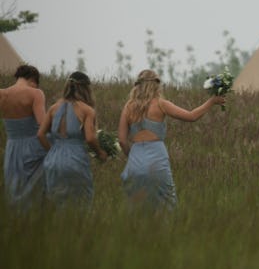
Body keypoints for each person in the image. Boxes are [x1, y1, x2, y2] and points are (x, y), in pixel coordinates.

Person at [117, 69, 225, 210]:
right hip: (157, 159)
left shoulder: (128, 107)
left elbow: (122, 141)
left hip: (134, 162)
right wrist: (212, 101)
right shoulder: (161, 104)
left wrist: (132, 156)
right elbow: (191, 116)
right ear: (156, 85)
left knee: (137, 208)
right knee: (166, 204)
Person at [37, 71, 107, 207]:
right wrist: (100, 153)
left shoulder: (53, 108)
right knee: (80, 203)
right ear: (86, 89)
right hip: (75, 160)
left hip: (53, 160)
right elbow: (90, 138)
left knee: (56, 203)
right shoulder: (87, 110)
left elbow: (40, 134)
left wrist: (52, 151)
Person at [1, 65, 48, 209]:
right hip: (32, 147)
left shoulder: (2, 94)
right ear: (33, 80)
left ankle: (17, 224)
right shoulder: (35, 93)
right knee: (33, 193)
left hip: (12, 148)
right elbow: (42, 123)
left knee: (14, 188)